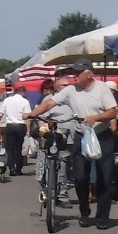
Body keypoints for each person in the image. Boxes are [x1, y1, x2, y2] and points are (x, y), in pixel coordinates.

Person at [27, 58, 118, 230]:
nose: (74, 76)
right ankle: (84, 211)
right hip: (81, 136)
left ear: (89, 74)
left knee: (104, 178)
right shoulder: (70, 90)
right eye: (73, 73)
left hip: (102, 136)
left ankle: (102, 217)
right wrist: (32, 114)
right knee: (80, 176)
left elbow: (113, 111)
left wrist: (96, 118)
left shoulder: (102, 89)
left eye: (78, 73)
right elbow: (49, 103)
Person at [34, 76, 77, 208]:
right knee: (59, 162)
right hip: (56, 137)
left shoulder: (75, 99)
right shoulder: (50, 100)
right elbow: (41, 116)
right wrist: (43, 127)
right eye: (65, 85)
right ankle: (59, 194)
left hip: (74, 137)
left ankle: (61, 189)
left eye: (70, 85)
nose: (69, 87)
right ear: (58, 88)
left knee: (69, 167)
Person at [2, 84, 32, 176]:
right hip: (20, 125)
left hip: (10, 125)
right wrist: (28, 129)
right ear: (22, 92)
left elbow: (1, 112)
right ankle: (18, 168)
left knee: (10, 148)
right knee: (18, 148)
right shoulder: (25, 102)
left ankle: (11, 167)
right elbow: (28, 117)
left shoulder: (7, 100)